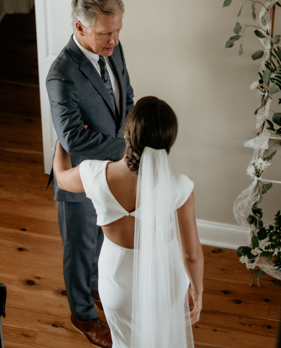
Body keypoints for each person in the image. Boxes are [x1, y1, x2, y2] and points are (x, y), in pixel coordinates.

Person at [53, 96, 204, 348]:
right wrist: (196, 291)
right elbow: (191, 254)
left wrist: (63, 140)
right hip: (164, 284)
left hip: (116, 285)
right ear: (168, 142)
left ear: (127, 134)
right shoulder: (179, 186)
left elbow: (61, 177)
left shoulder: (94, 174)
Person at [46, 0, 135, 347]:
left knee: (102, 239)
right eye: (105, 34)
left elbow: (126, 94)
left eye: (117, 31)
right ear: (81, 28)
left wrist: (127, 133)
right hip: (79, 179)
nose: (114, 41)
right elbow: (74, 140)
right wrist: (128, 148)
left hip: (111, 174)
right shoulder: (61, 75)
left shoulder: (112, 48)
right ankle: (82, 315)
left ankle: (97, 290)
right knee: (80, 251)